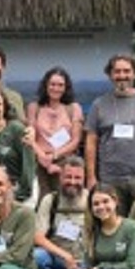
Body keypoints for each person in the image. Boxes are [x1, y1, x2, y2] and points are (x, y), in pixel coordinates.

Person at [85, 54, 135, 214]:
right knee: (113, 223)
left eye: (126, 71)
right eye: (117, 71)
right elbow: (91, 141)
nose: (122, 76)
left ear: (134, 74)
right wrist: (91, 176)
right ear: (110, 75)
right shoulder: (99, 104)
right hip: (110, 178)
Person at [32, 157, 88, 269]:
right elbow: (38, 237)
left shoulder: (92, 200)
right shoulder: (50, 200)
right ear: (60, 177)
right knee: (37, 256)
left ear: (84, 178)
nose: (72, 182)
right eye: (68, 177)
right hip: (57, 257)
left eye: (78, 178)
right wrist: (66, 256)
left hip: (83, 261)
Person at [26, 66, 84, 201]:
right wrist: (43, 158)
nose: (56, 88)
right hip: (39, 163)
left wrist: (54, 156)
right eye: (52, 84)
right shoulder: (34, 108)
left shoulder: (73, 108)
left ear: (66, 88)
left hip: (65, 164)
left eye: (60, 85)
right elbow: (30, 137)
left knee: (65, 202)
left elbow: (76, 141)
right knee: (43, 203)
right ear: (46, 85)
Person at [0, 91, 36, 206]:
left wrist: (19, 196)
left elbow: (28, 166)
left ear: (5, 108)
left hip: (22, 194)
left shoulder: (16, 130)